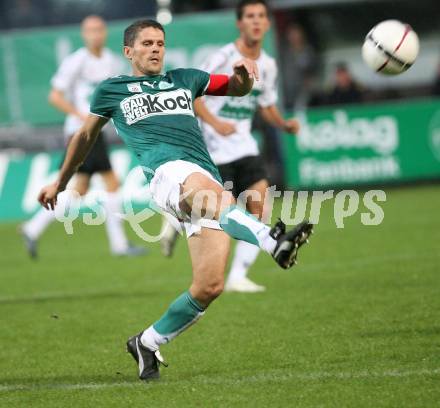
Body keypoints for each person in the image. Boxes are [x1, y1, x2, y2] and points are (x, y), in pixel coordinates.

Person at [38, 19, 314, 382]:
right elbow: (85, 135)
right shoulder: (113, 90)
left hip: (202, 176)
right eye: (147, 43)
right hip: (166, 175)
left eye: (160, 43)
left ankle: (147, 342)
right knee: (214, 193)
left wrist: (245, 76)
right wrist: (61, 180)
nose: (155, 49)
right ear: (129, 51)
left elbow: (236, 88)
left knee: (209, 286)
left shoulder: (186, 78)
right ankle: (272, 240)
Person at [161, 0, 300, 293]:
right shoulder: (223, 57)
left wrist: (283, 124)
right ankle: (175, 221)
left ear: (268, 23)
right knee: (212, 211)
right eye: (250, 16)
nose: (256, 21)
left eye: (261, 16)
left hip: (244, 144)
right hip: (212, 147)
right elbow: (192, 93)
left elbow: (266, 104)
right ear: (239, 23)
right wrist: (213, 122)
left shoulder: (269, 65)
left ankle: (238, 275)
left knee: (259, 206)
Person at [20, 15, 145, 258]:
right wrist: (80, 114)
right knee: (111, 183)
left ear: (105, 32)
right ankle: (119, 245)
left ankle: (32, 228)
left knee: (80, 189)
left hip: (97, 130)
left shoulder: (110, 61)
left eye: (99, 29)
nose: (95, 34)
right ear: (83, 34)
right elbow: (55, 96)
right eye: (90, 30)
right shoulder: (76, 61)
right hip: (82, 131)